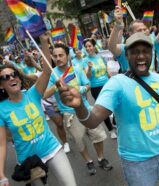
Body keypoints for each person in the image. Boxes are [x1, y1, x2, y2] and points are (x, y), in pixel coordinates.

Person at [57, 32, 159, 186]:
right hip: (137, 163)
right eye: (135, 52)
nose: (141, 56)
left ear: (151, 54)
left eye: (145, 51)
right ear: (126, 56)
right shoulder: (117, 83)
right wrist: (80, 106)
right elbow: (92, 120)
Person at [0, 33, 76, 186]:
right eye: (5, 77)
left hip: (52, 149)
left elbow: (47, 71)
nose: (11, 78)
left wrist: (43, 42)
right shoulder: (1, 109)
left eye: (13, 74)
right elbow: (1, 144)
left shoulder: (33, 94)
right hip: (29, 161)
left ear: (19, 78)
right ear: (1, 86)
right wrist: (1, 175)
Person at [44, 43, 113, 176]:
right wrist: (56, 86)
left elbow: (88, 85)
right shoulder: (52, 75)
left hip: (86, 109)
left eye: (61, 55)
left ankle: (101, 158)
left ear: (67, 56)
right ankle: (89, 161)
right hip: (69, 114)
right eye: (55, 56)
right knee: (79, 141)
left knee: (97, 136)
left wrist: (78, 90)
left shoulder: (76, 68)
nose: (58, 58)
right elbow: (45, 95)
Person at [83, 38, 117, 139]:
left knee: (115, 104)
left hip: (107, 84)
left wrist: (111, 76)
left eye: (90, 46)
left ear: (94, 46)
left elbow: (106, 68)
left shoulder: (100, 57)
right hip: (96, 88)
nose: (88, 48)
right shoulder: (85, 60)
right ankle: (111, 130)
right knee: (104, 109)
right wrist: (89, 68)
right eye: (86, 47)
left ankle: (115, 122)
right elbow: (87, 76)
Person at [108, 7, 150, 73]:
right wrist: (118, 26)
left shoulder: (150, 47)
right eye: (139, 30)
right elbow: (112, 47)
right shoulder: (126, 48)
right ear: (131, 34)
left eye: (145, 29)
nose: (143, 32)